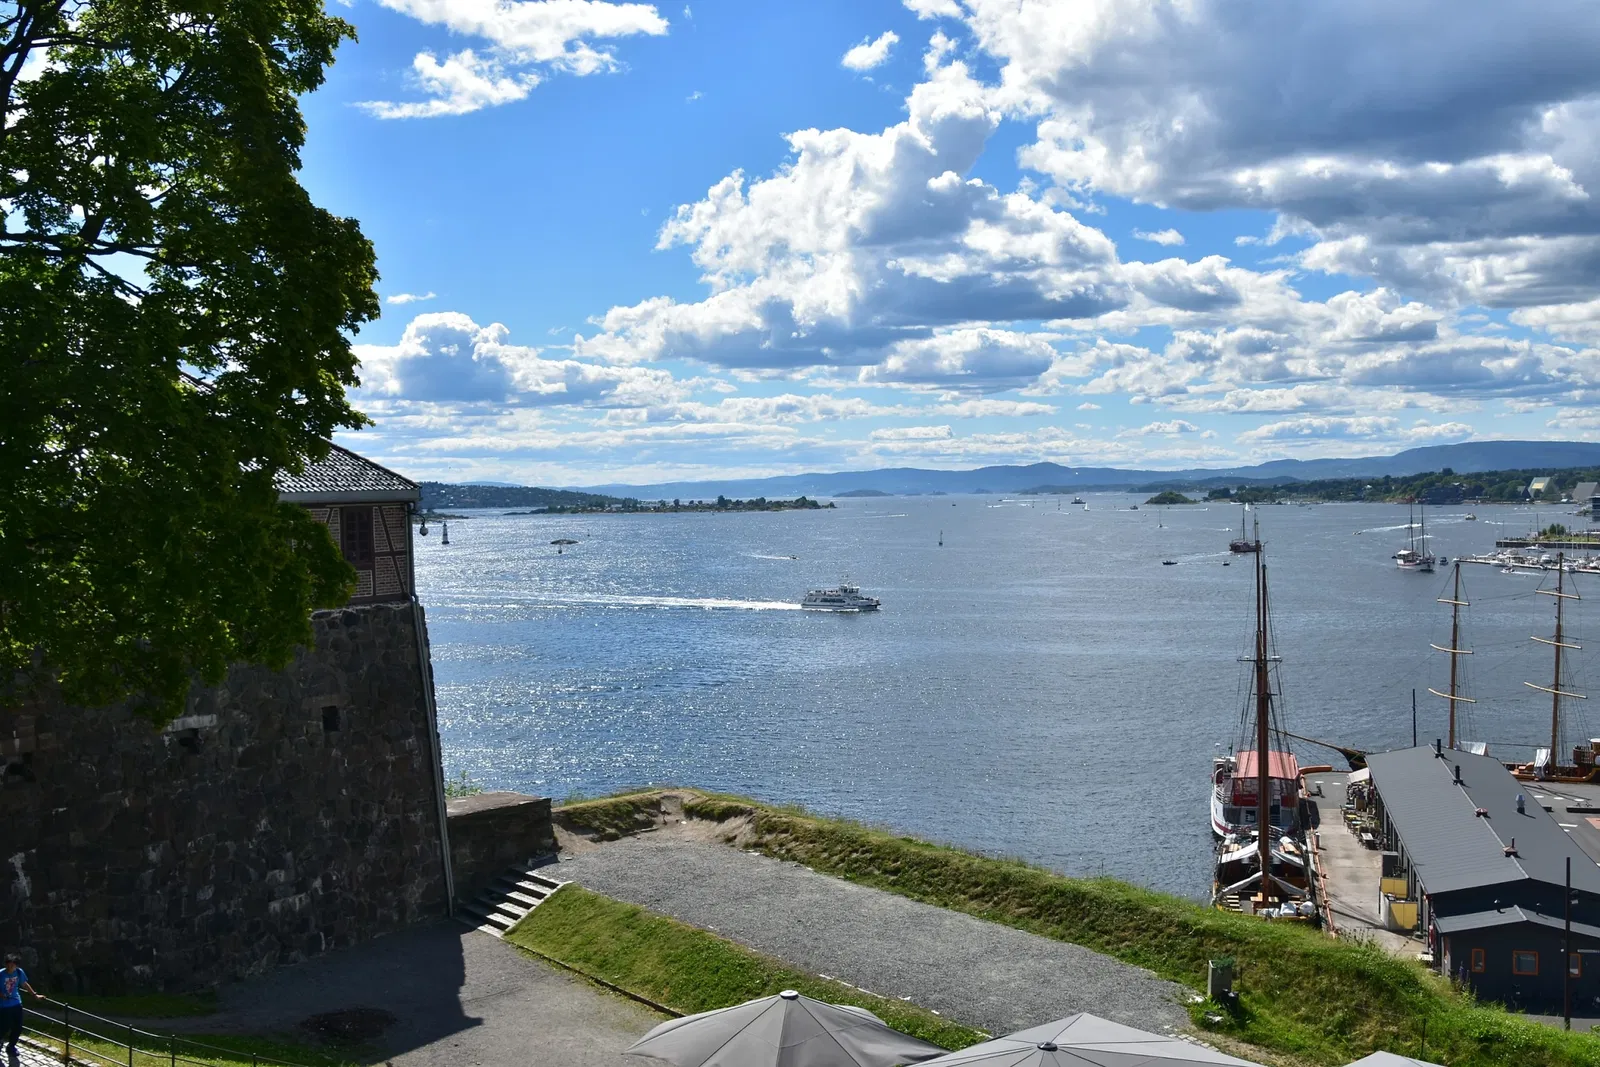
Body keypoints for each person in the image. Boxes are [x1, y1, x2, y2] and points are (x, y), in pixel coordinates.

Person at [1, 954, 39, 1057]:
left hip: (16, 1003)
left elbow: (25, 984)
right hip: (3, 1005)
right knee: (4, 1026)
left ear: (16, 966)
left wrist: (35, 995)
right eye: (8, 965)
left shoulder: (19, 972)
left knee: (18, 1026)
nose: (10, 968)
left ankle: (11, 1046)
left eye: (12, 966)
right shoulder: (1, 974)